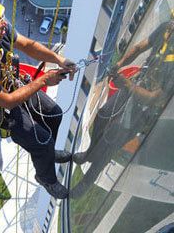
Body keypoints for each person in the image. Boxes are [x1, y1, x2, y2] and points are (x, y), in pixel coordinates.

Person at [0, 0, 77, 199]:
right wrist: (45, 80)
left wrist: (58, 59)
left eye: (1, 18)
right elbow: (9, 102)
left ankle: (46, 154)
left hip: (11, 84)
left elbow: (28, 45)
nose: (4, 23)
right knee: (42, 141)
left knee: (54, 114)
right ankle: (46, 178)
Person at [71, 17, 174, 198]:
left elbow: (155, 99)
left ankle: (85, 184)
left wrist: (126, 84)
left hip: (145, 110)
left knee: (111, 143)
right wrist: (120, 64)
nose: (170, 27)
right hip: (135, 85)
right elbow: (139, 47)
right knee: (103, 114)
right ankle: (89, 153)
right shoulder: (166, 29)